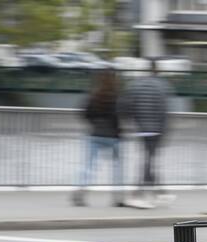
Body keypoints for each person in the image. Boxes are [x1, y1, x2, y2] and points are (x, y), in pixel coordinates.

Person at [118, 59, 175, 209]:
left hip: (142, 129)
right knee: (149, 160)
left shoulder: (137, 84)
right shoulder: (162, 86)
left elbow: (127, 104)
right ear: (158, 71)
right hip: (156, 130)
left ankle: (158, 191)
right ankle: (140, 193)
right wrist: (164, 130)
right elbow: (164, 111)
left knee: (148, 159)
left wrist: (131, 122)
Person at [72, 69, 124, 207]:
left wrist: (94, 123)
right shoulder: (117, 96)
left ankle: (81, 192)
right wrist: (118, 130)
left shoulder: (93, 95)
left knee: (88, 166)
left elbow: (84, 113)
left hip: (95, 134)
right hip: (113, 136)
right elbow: (119, 116)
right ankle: (117, 197)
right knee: (117, 167)